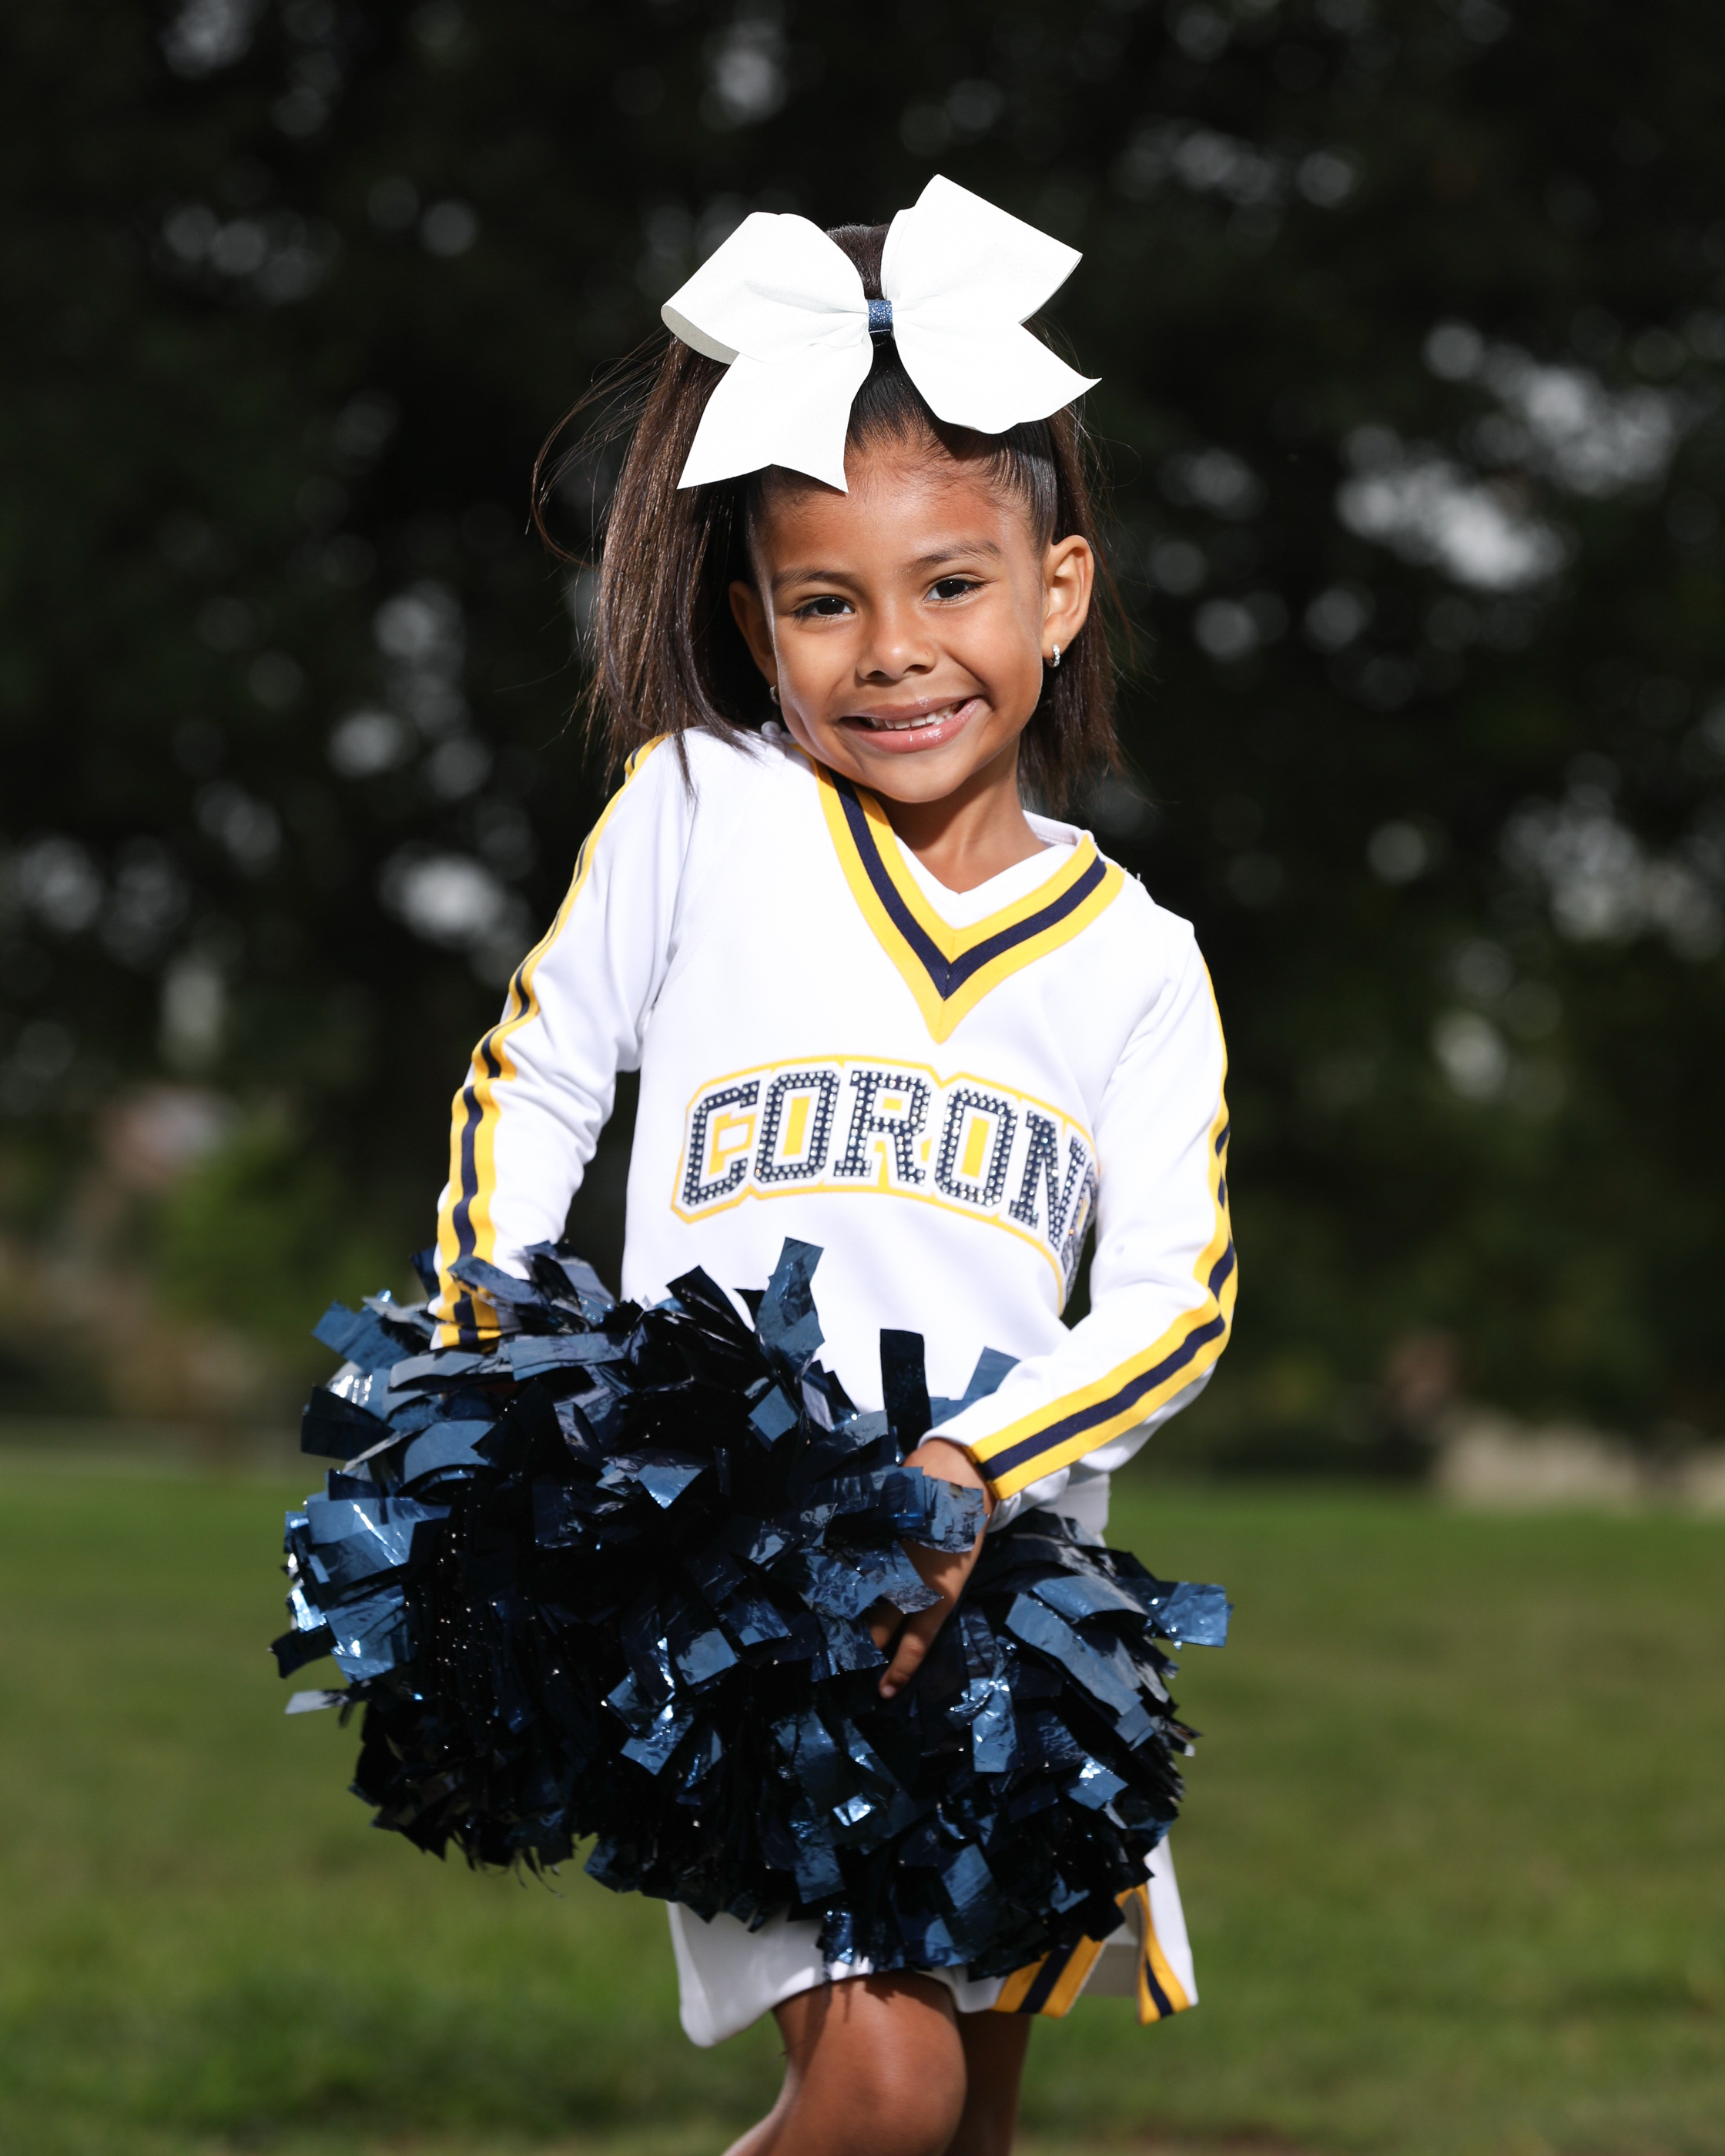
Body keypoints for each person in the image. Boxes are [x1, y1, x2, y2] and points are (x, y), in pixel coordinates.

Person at [429, 177, 1236, 2156]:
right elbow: (536, 1073)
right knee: (880, 2089)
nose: (894, 651)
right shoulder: (701, 809)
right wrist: (503, 1371)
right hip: (748, 1576)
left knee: (962, 2130)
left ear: (1058, 589)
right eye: (824, 602)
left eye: (951, 585)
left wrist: (971, 1469)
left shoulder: (1137, 956)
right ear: (752, 621)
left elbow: (1174, 1300)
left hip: (1007, 1591)